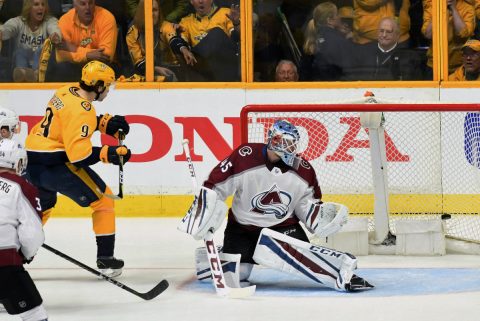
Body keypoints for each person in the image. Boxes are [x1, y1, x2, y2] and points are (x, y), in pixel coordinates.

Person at [178, 120, 374, 292]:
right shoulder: (245, 156)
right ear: (274, 139)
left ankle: (341, 274)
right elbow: (216, 186)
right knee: (240, 276)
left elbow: (307, 205)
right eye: (285, 142)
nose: (289, 148)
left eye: (292, 144)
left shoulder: (303, 170)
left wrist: (320, 219)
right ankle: (211, 259)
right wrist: (203, 212)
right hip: (242, 228)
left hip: (283, 226)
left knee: (305, 261)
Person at [25, 60, 131, 277]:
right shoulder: (84, 111)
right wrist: (109, 154)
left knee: (41, 208)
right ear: (98, 85)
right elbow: (78, 155)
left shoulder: (66, 90)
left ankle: (17, 255)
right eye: (107, 86)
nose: (108, 90)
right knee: (104, 200)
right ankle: (106, 260)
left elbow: (69, 121)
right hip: (55, 165)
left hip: (32, 162)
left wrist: (103, 123)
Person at [0, 138, 48, 321]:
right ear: (18, 161)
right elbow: (32, 234)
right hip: (4, 263)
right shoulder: (22, 186)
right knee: (35, 315)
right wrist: (26, 254)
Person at [166, 0, 241, 81]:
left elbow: (236, 39)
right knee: (177, 39)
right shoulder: (186, 21)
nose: (201, 1)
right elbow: (179, 41)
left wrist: (236, 23)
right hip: (201, 64)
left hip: (225, 61)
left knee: (216, 32)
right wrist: (184, 49)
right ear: (191, 1)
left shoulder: (226, 13)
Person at [48, 0, 117, 81]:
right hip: (74, 68)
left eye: (90, 3)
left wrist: (74, 49)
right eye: (83, 4)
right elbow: (61, 56)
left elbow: (106, 56)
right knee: (60, 68)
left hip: (100, 68)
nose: (87, 8)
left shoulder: (107, 17)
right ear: (75, 5)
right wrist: (87, 55)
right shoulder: (65, 20)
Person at [0, 0, 61, 82]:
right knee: (20, 52)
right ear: (28, 7)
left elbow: (54, 28)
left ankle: (36, 74)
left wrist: (55, 35)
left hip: (43, 65)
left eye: (43, 5)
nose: (41, 7)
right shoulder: (19, 21)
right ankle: (21, 73)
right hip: (21, 60)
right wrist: (2, 31)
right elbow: (8, 28)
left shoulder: (49, 21)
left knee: (39, 51)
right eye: (36, 4)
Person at [351, 17, 422, 80]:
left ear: (397, 35)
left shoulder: (409, 57)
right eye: (381, 31)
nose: (384, 35)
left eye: (388, 32)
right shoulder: (363, 51)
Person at [300, 2, 355, 81]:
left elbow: (304, 75)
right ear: (329, 20)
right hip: (335, 89)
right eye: (337, 15)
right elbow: (349, 72)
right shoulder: (339, 41)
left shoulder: (310, 43)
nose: (339, 17)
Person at [126, 0, 179, 81]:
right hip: (144, 71)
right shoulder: (133, 32)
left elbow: (174, 40)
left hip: (170, 69)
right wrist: (155, 69)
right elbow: (138, 63)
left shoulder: (166, 26)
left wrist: (182, 48)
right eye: (148, 10)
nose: (152, 14)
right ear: (141, 12)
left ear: (159, 12)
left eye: (155, 10)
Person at [422, 0, 474, 77]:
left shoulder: (467, 7)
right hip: (435, 65)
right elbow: (428, 35)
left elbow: (463, 34)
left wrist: (453, 9)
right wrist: (440, 9)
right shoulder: (432, 6)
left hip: (459, 65)